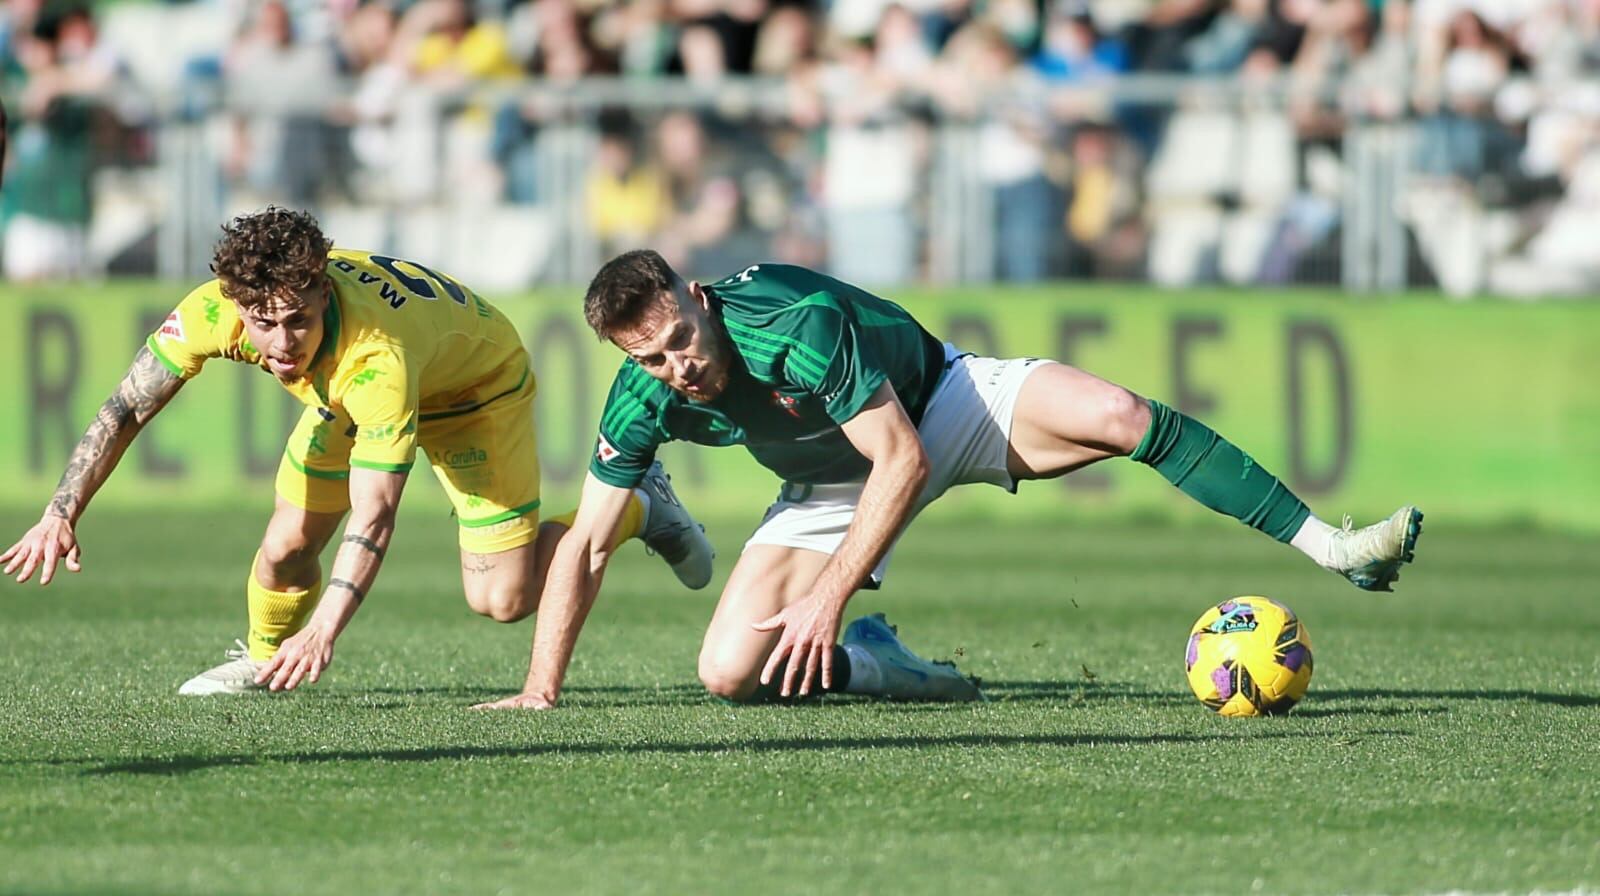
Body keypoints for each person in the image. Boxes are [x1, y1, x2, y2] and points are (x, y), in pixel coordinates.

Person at [477, 250, 1422, 710]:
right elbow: (591, 541)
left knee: (1122, 418)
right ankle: (876, 663)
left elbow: (904, 458)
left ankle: (1336, 550)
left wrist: (829, 593)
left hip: (941, 406)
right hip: (825, 491)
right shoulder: (641, 396)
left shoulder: (790, 320)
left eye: (680, 339)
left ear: (694, 294)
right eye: (650, 359)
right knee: (727, 674)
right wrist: (539, 691)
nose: (675, 367)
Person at [2, 209, 713, 695]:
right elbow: (127, 405)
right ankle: (260, 662)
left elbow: (374, 518)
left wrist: (325, 631)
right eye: (263, 323)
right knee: (284, 546)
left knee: (502, 600)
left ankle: (642, 507)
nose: (281, 345)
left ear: (323, 290)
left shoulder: (376, 360)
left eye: (299, 321)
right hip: (339, 396)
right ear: (234, 303)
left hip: (476, 387)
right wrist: (60, 511)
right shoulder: (211, 311)